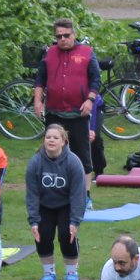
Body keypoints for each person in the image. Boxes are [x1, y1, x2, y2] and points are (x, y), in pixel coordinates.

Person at [26, 123, 87, 280]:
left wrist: (75, 221)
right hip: (45, 205)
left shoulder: (73, 162)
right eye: (48, 137)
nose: (51, 140)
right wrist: (33, 221)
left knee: (67, 235)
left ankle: (72, 272)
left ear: (63, 141)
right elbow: (32, 194)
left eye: (55, 137)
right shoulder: (35, 163)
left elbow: (78, 195)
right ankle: (49, 273)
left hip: (66, 204)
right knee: (42, 234)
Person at [32, 19, 98, 172]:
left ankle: (85, 194)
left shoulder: (87, 52)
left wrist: (90, 100)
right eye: (58, 36)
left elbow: (96, 79)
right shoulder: (49, 53)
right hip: (54, 113)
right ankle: (54, 187)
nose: (62, 39)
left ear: (74, 35)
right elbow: (40, 80)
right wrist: (37, 101)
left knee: (82, 156)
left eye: (66, 35)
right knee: (52, 152)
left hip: (79, 112)